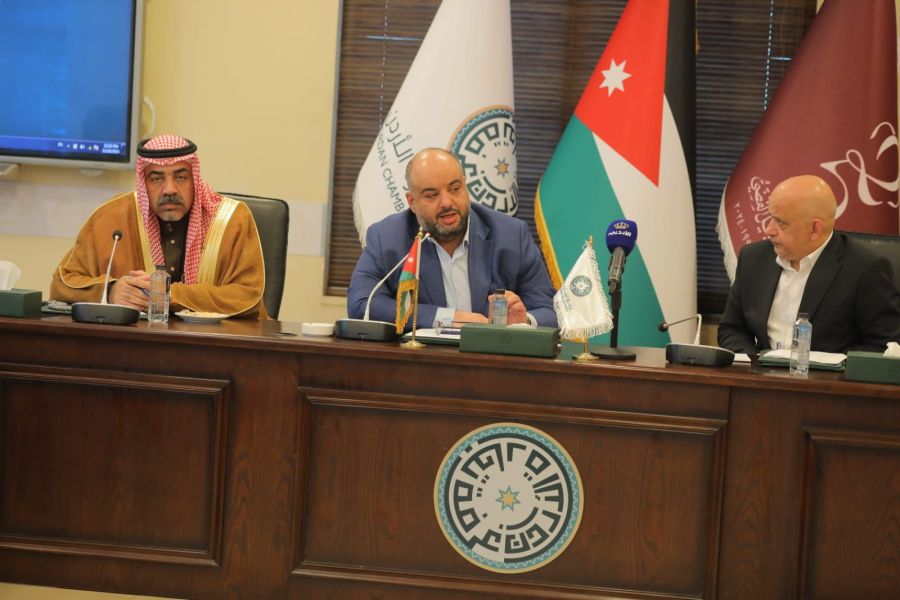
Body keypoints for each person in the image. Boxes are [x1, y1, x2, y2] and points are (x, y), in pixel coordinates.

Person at [51, 134, 267, 318]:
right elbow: (63, 283)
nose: (169, 189)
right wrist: (110, 290)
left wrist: (170, 295)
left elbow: (248, 297)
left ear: (195, 180)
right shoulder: (111, 218)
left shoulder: (231, 220)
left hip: (217, 345)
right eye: (156, 179)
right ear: (143, 184)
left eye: (181, 177)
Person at [348, 147, 557, 330]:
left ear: (465, 186)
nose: (447, 202)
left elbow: (549, 311)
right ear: (412, 202)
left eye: (455, 189)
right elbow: (361, 304)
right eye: (432, 195)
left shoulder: (511, 235)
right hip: (423, 359)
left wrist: (523, 321)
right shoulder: (387, 238)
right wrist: (448, 318)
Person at [718, 174, 900, 354]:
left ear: (814, 229)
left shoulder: (865, 269)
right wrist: (755, 362)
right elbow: (731, 329)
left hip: (827, 373)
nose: (769, 230)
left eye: (780, 223)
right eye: (771, 217)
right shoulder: (753, 258)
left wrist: (828, 366)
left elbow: (885, 346)